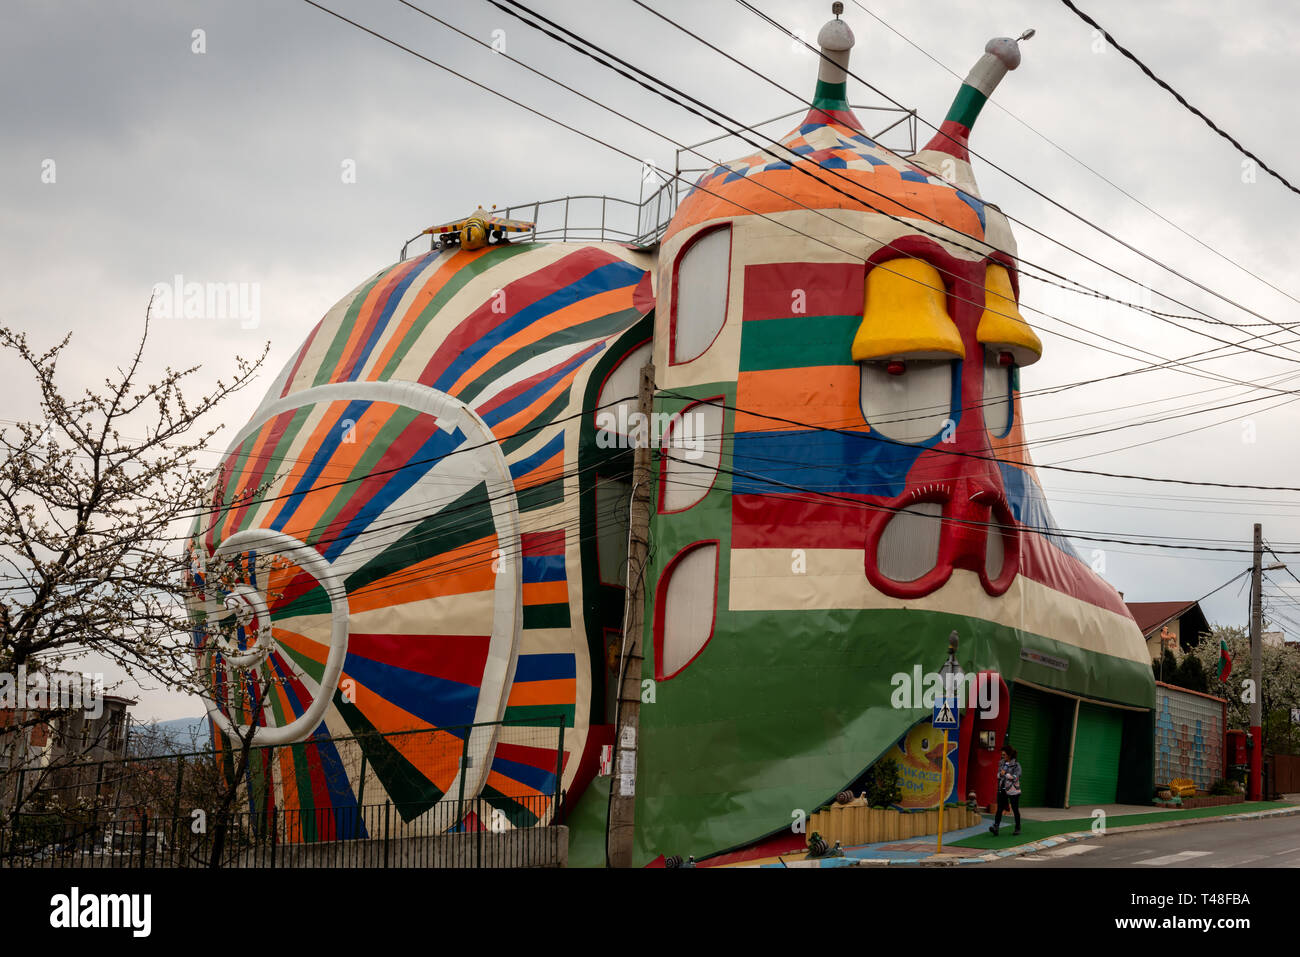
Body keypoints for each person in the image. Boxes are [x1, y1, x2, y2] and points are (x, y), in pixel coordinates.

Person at [989, 743, 1022, 836]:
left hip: (1013, 790)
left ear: (1009, 754)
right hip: (1002, 788)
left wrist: (1007, 775)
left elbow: (1017, 776)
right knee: (999, 809)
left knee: (1015, 809)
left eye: (1004, 755)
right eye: (1002, 755)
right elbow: (999, 775)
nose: (1002, 756)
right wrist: (1000, 774)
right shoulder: (1001, 763)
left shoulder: (1016, 765)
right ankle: (996, 827)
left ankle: (1017, 828)